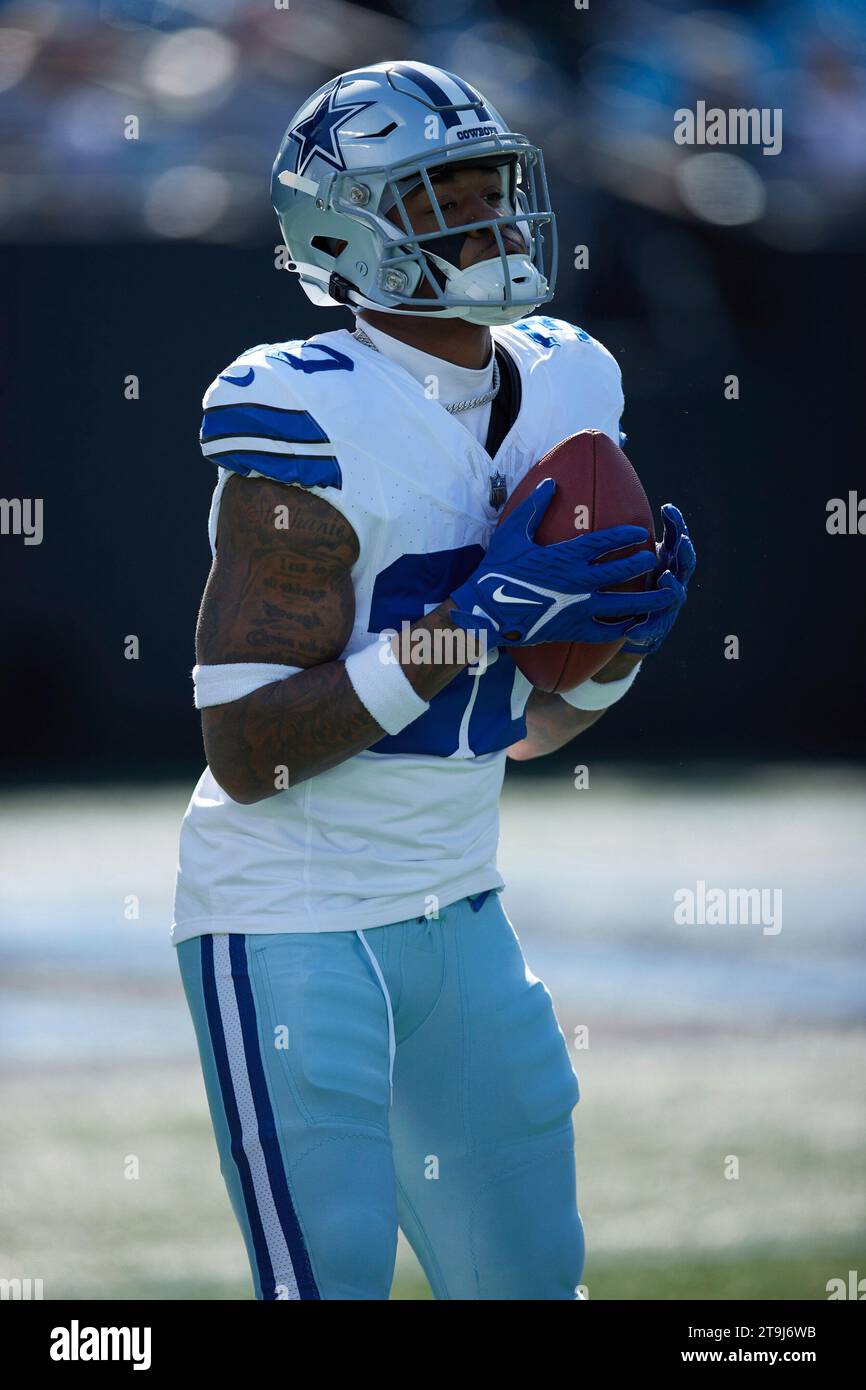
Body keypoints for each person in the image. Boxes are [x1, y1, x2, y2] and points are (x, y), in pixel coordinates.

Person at [172, 61, 696, 1300]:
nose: (490, 223)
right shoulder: (302, 411)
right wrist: (472, 621)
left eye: (493, 188)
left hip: (461, 904)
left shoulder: (566, 378)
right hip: (291, 921)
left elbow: (528, 729)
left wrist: (616, 649)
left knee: (529, 1286)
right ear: (344, 229)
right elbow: (251, 753)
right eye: (439, 197)